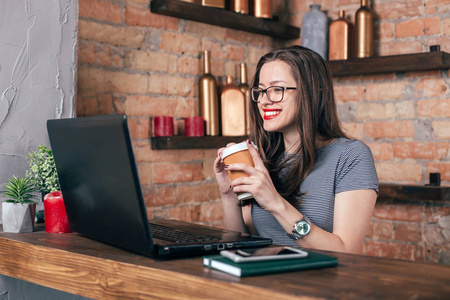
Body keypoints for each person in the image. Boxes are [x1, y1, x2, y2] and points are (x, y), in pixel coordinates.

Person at [214, 46, 378, 254]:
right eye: (261, 90)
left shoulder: (351, 156)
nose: (264, 100)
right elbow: (240, 245)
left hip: (320, 284)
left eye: (277, 89)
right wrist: (228, 194)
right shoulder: (262, 157)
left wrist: (275, 202)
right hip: (263, 281)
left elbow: (346, 252)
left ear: (312, 93)